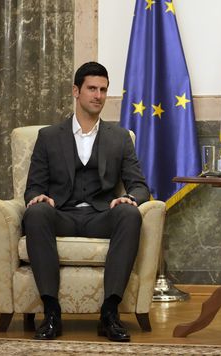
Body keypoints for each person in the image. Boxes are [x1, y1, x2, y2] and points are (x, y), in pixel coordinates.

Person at [23, 62, 150, 342]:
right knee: (35, 213)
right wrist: (37, 198)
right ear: (76, 91)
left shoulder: (120, 138)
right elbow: (33, 187)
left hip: (100, 216)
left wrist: (129, 198)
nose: (98, 95)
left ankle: (110, 313)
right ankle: (52, 312)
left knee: (130, 215)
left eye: (103, 90)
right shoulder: (48, 137)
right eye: (92, 88)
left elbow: (140, 186)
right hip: (62, 214)